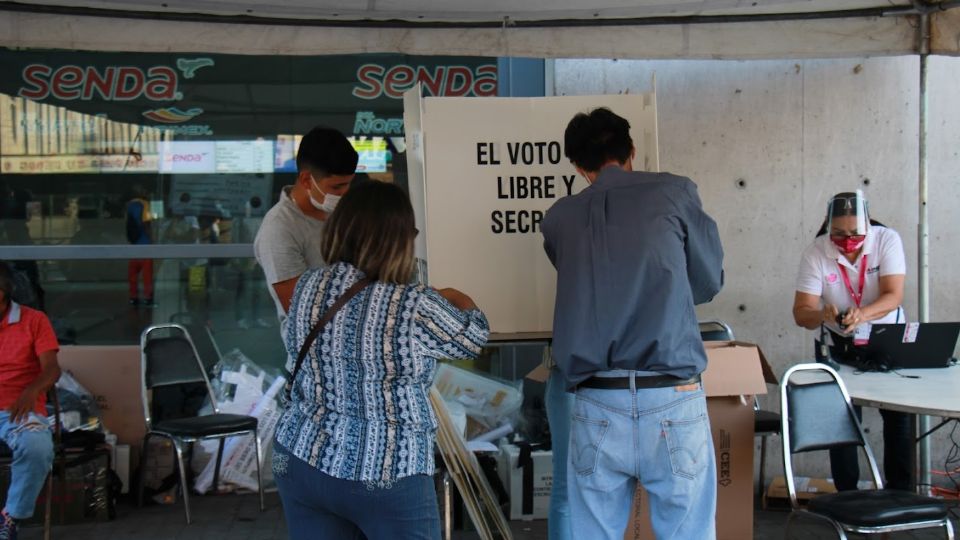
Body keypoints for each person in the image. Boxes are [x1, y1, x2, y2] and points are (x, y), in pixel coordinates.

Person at [542, 107, 724, 540]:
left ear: (579, 167)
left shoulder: (559, 218)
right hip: (672, 394)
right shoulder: (674, 193)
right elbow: (707, 281)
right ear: (632, 151)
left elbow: (580, 284)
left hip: (597, 398)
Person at [273, 181, 489, 540]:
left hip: (303, 456)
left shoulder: (308, 286)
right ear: (400, 239)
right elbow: (473, 338)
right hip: (386, 468)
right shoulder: (415, 304)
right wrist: (458, 297)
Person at [792, 190, 911, 491]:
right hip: (839, 344)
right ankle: (846, 496)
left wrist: (863, 313)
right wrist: (822, 315)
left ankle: (901, 495)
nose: (847, 241)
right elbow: (801, 312)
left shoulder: (887, 240)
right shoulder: (815, 253)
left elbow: (894, 295)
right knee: (841, 423)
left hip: (887, 337)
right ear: (827, 227)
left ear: (868, 225)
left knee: (898, 420)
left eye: (855, 233)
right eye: (838, 234)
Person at [254, 127, 359, 327]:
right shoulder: (279, 229)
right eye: (336, 187)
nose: (345, 193)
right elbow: (299, 309)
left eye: (348, 184)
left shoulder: (344, 213)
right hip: (317, 351)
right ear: (306, 179)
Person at [0, 261, 60, 539]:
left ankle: (11, 517)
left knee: (36, 449)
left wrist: (32, 390)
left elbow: (51, 369)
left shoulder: (34, 320)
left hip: (19, 409)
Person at [125, 185, 155, 307]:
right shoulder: (145, 204)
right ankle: (148, 297)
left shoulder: (129, 206)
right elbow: (146, 223)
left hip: (134, 244)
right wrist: (152, 239)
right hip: (145, 244)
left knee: (133, 273)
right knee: (147, 274)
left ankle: (133, 297)